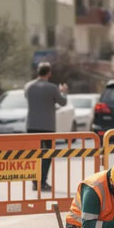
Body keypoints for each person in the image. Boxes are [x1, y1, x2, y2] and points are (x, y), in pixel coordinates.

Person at [24, 62, 68, 191]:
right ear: (49, 73)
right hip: (47, 126)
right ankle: (42, 181)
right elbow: (63, 102)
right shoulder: (52, 87)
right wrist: (63, 92)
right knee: (47, 154)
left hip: (31, 125)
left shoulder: (29, 86)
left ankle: (34, 181)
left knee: (34, 154)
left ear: (38, 72)